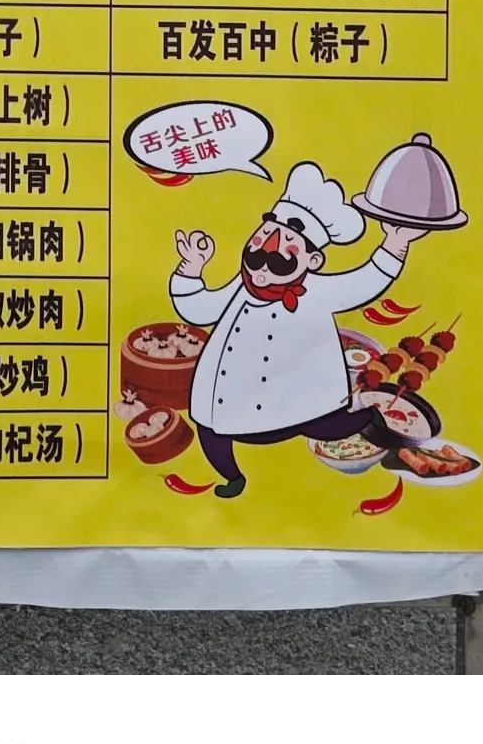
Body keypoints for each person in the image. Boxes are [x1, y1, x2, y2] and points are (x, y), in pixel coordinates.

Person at [169, 161, 424, 498]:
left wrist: (396, 244)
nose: (266, 252)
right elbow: (199, 309)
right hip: (229, 394)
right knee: (211, 429)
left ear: (313, 261)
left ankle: (369, 420)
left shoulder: (317, 290)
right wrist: (190, 270)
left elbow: (363, 282)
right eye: (262, 238)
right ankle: (233, 477)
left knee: (323, 423)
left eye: (285, 246)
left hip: (294, 394)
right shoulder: (242, 285)